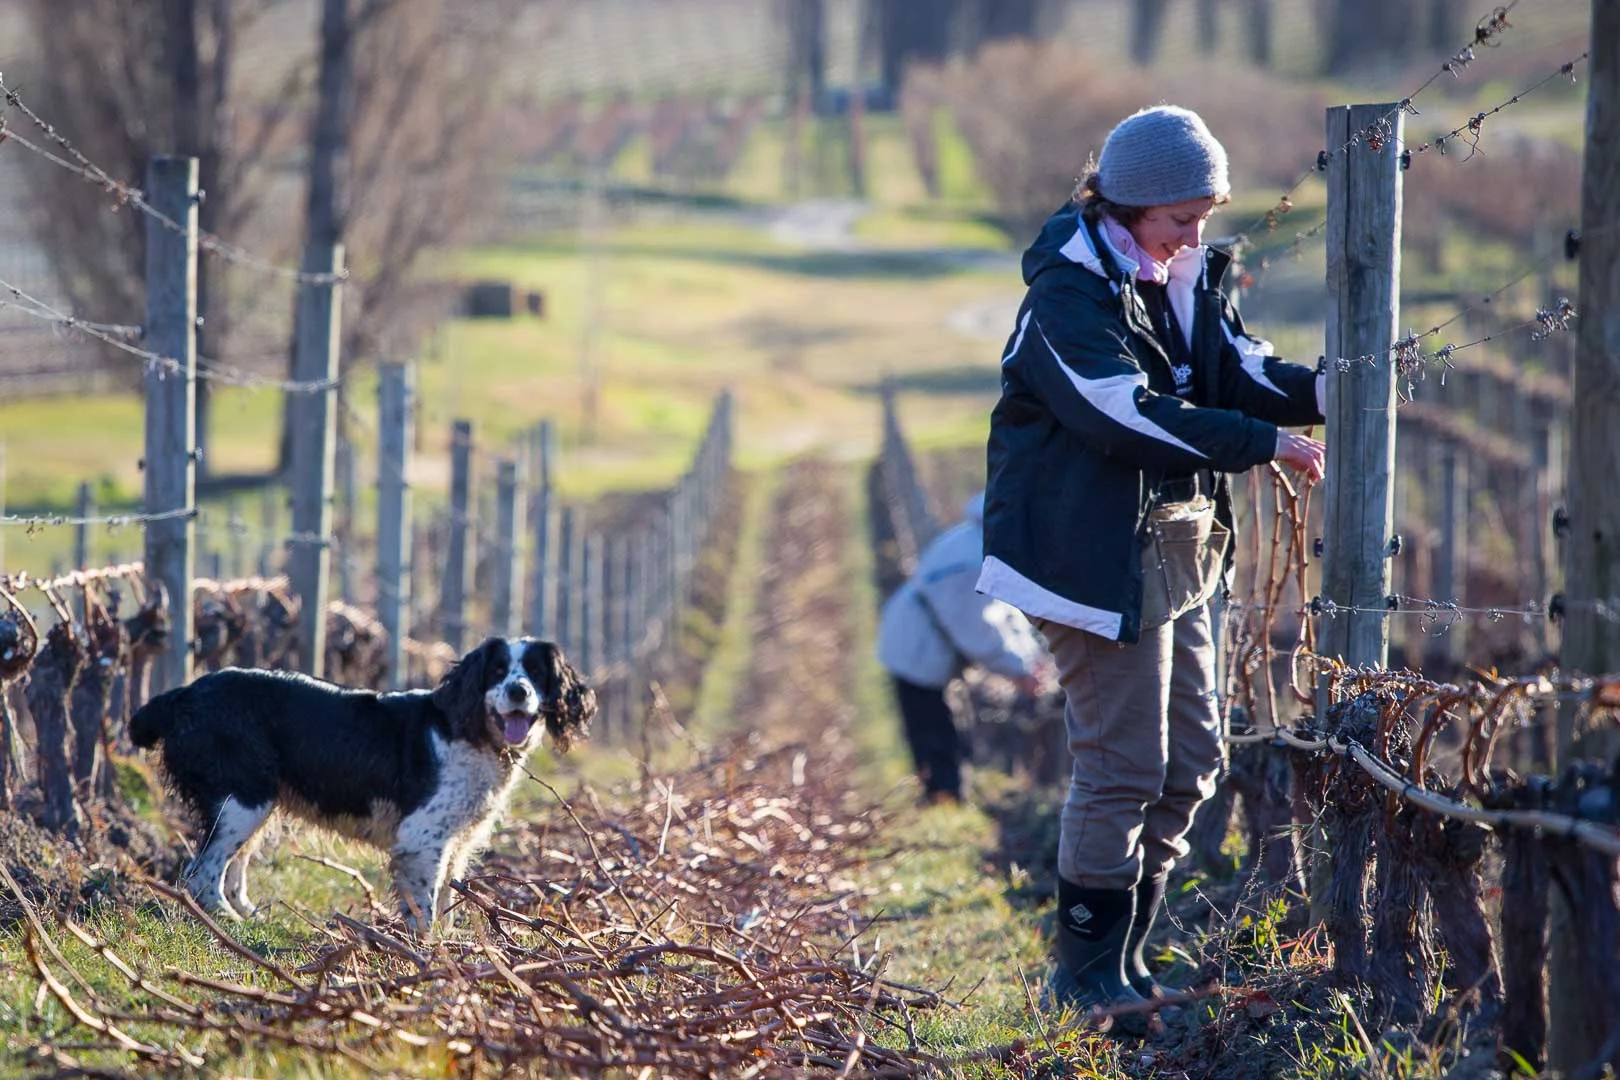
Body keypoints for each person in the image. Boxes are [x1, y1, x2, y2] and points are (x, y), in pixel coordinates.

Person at [975, 105, 1327, 1028]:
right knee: (1124, 763)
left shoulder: (1184, 274)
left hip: (1182, 547)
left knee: (1194, 764)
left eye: (1205, 215)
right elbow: (1114, 409)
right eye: (1179, 219)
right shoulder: (1066, 290)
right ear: (1125, 207)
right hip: (1087, 558)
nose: (1195, 235)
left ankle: (1124, 959)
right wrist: (1260, 442)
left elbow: (1234, 368)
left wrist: (1331, 390)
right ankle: (1084, 977)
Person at [877, 491, 1052, 805]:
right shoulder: (970, 562)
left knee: (942, 726)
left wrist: (1028, 659)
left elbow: (1007, 614)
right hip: (917, 648)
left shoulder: (981, 545)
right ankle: (943, 802)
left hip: (924, 642)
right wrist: (1019, 670)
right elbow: (979, 630)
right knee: (933, 732)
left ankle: (948, 798)